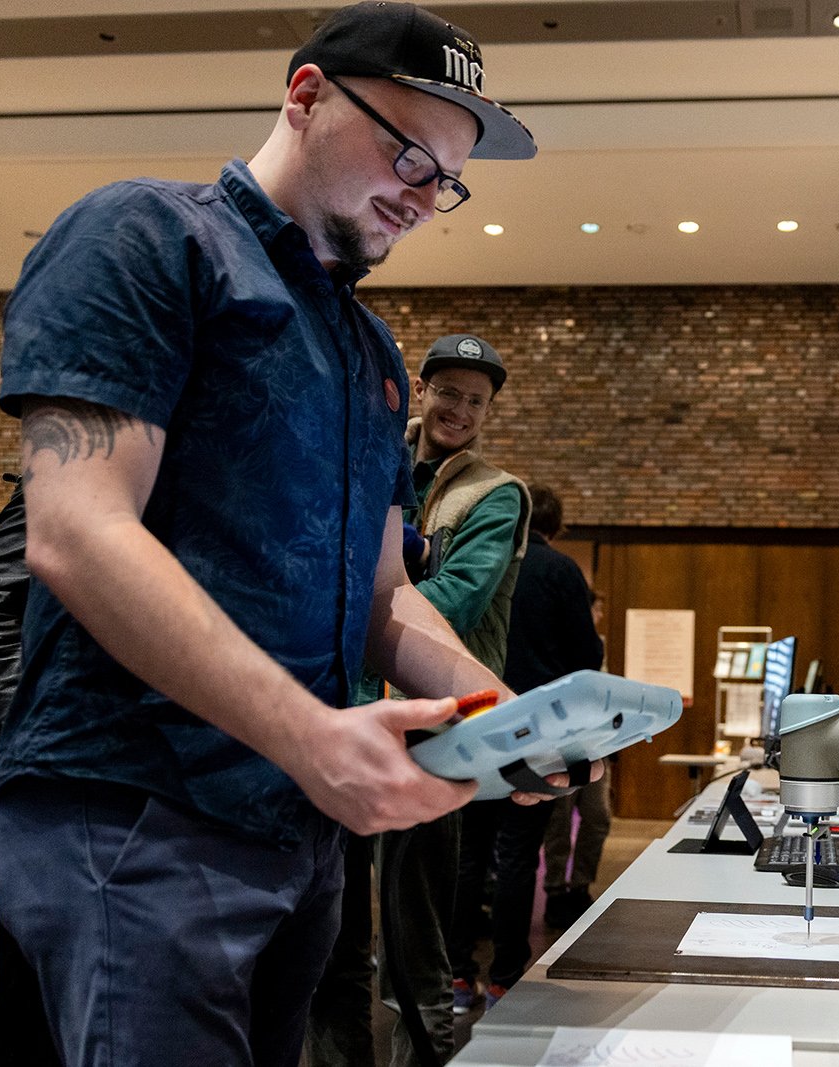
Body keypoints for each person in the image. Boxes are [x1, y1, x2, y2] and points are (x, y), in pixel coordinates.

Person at [0, 5, 597, 1064]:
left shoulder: (368, 347)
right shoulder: (145, 238)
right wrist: (312, 737)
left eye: (445, 177)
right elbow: (78, 533)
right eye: (408, 149)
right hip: (138, 806)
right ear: (305, 96)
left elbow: (384, 597)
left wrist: (505, 714)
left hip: (299, 829)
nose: (423, 193)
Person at [374, 332, 531, 1064]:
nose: (460, 409)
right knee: (334, 938)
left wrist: (351, 603)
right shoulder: (374, 453)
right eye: (449, 392)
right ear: (422, 388)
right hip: (349, 711)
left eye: (477, 400)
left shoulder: (495, 493)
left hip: (441, 728)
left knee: (418, 938)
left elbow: (457, 602)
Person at [447, 485, 603, 1010]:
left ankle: (458, 978)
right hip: (536, 734)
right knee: (518, 859)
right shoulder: (561, 571)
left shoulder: (479, 563)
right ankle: (504, 981)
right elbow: (587, 656)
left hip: (476, 721)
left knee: (467, 858)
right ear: (555, 527)